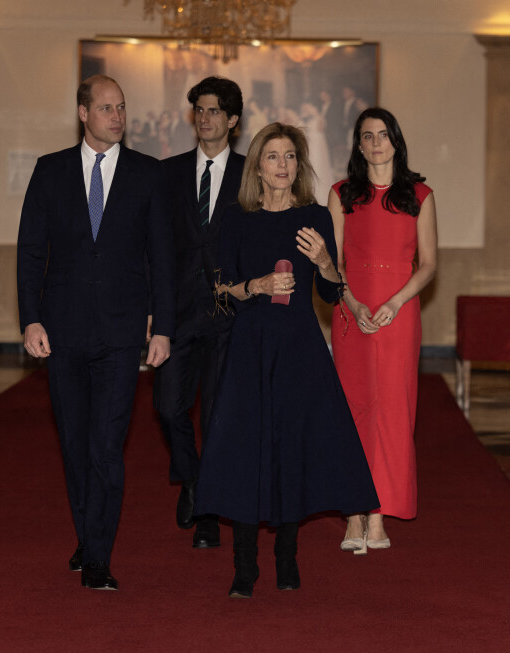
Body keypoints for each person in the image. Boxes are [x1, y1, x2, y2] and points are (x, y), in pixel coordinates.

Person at [194, 123, 379, 598]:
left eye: (291, 157)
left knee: (292, 449)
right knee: (245, 453)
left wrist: (323, 262)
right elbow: (222, 288)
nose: (283, 165)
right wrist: (254, 286)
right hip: (249, 349)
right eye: (273, 156)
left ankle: (287, 558)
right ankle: (243, 566)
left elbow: (330, 292)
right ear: (257, 165)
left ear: (300, 164)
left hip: (298, 349)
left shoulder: (315, 216)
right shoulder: (237, 218)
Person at [17, 74, 175, 591]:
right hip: (62, 332)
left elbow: (163, 260)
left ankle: (99, 557)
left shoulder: (147, 175)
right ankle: (87, 534)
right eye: (106, 108)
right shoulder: (50, 171)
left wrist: (163, 327)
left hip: (122, 335)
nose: (117, 116)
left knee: (108, 446)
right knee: (76, 444)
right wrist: (30, 318)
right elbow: (30, 253)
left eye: (121, 108)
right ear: (83, 113)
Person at [329, 107, 438, 552]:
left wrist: (394, 301)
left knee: (394, 412)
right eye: (366, 136)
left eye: (382, 135)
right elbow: (333, 263)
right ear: (358, 145)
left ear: (395, 139)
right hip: (350, 310)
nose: (375, 143)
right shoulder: (341, 194)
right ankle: (354, 514)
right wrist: (353, 302)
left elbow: (429, 265)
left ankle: (378, 516)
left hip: (400, 310)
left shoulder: (419, 194)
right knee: (353, 410)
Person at [154, 76, 245, 549]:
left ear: (232, 120)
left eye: (214, 111)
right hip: (178, 315)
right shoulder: (166, 174)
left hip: (232, 315)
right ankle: (190, 479)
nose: (205, 118)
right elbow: (153, 248)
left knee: (216, 418)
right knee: (168, 409)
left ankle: (208, 508)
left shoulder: (250, 174)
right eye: (199, 110)